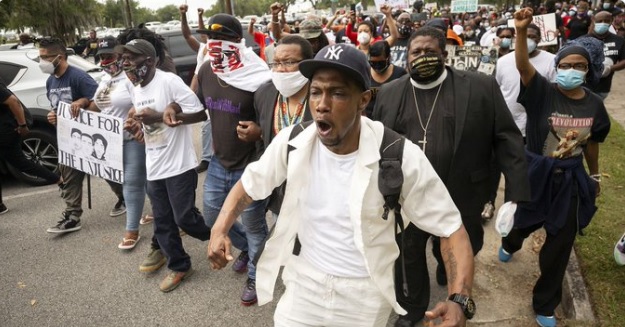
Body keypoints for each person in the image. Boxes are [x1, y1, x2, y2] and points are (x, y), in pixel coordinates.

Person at [207, 43, 475, 327]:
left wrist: (459, 300)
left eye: (337, 93)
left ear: (364, 100)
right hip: (303, 286)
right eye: (316, 91)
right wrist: (220, 228)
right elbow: (250, 185)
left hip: (364, 297)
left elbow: (451, 229)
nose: (322, 104)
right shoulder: (292, 142)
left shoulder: (398, 155)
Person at [372, 26, 530, 326]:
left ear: (445, 55)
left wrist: (515, 195)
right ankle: (412, 308)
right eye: (416, 52)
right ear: (406, 57)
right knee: (407, 255)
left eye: (430, 51)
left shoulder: (480, 87)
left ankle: (448, 273)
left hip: (463, 193)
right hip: (408, 197)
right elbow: (375, 143)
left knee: (460, 247)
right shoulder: (391, 93)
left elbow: (507, 138)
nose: (422, 57)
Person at [499, 8, 610, 327]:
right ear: (556, 67)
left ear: (588, 71)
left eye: (579, 66)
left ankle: (544, 303)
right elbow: (522, 66)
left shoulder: (594, 105)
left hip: (571, 179)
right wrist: (520, 32)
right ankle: (510, 242)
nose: (571, 70)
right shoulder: (541, 93)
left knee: (560, 242)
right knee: (524, 221)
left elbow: (592, 142)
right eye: (565, 65)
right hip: (537, 173)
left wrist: (594, 174)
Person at [122, 39, 210, 292]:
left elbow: (200, 113)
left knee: (185, 217)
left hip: (180, 165)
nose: (126, 62)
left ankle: (220, 236)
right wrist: (138, 128)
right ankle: (180, 266)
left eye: (131, 57)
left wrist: (159, 115)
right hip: (154, 165)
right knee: (162, 222)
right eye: (124, 57)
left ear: (149, 60)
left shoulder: (169, 81)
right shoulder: (134, 86)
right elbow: (148, 126)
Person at [196, 14, 272, 306]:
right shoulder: (206, 70)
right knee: (214, 218)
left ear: (238, 43)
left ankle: (256, 273)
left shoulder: (260, 76)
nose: (215, 45)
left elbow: (274, 122)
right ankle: (244, 249)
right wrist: (172, 113)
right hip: (218, 162)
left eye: (223, 40)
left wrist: (259, 132)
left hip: (250, 166)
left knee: (254, 226)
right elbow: (199, 109)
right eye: (211, 39)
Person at [41, 37, 125, 233]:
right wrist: (53, 116)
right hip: (67, 139)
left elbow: (99, 100)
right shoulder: (50, 81)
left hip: (89, 136)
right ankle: (72, 215)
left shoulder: (78, 77)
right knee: (69, 176)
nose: (41, 62)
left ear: (59, 57)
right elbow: (56, 107)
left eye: (45, 57)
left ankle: (125, 196)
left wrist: (82, 101)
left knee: (106, 171)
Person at [239, 35, 314, 219]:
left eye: (289, 62)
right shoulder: (264, 94)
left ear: (307, 64)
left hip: (315, 190)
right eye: (276, 63)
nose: (281, 69)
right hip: (280, 192)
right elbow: (263, 141)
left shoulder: (321, 95)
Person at [85, 36, 147, 250]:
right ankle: (161, 208)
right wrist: (78, 107)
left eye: (109, 56)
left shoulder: (131, 78)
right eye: (101, 57)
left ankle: (132, 230)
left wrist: (134, 112)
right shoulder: (105, 79)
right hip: (109, 142)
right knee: (139, 179)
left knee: (132, 181)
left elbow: (142, 100)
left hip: (132, 138)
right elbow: (97, 106)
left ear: (120, 56)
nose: (105, 61)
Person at [0, 80, 63, 215]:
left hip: (5, 130)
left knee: (20, 162)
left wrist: (23, 125)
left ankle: (60, 180)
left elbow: (13, 102)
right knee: (20, 162)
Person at [179, 3, 213, 173]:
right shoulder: (201, 49)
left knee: (208, 124)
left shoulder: (219, 50)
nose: (205, 36)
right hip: (198, 92)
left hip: (213, 92)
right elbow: (187, 34)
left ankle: (207, 158)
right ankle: (208, 157)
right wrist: (185, 15)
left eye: (208, 34)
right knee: (204, 123)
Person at [587, 10, 625, 100]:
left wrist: (610, 68)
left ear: (611, 21)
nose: (603, 23)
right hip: (584, 86)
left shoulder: (619, 41)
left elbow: (624, 61)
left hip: (603, 88)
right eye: (599, 21)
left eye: (606, 21)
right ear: (593, 21)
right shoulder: (584, 40)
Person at [366, 40, 407, 117]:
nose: (377, 66)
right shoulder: (365, 73)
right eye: (373, 63)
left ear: (389, 58)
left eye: (381, 63)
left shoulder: (400, 74)